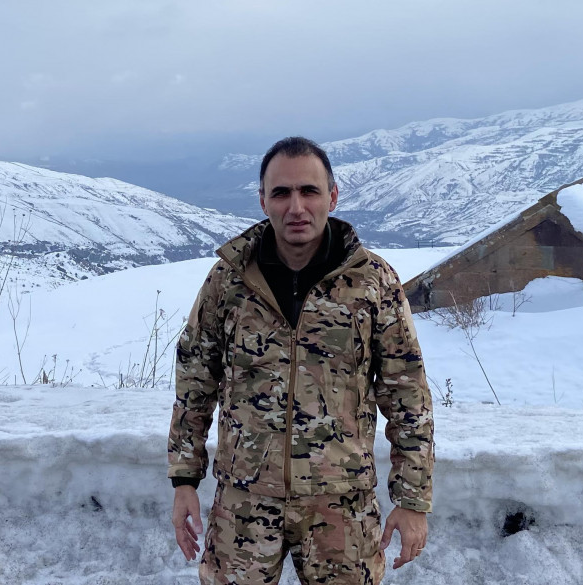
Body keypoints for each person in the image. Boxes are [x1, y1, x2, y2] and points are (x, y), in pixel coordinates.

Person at [168, 136, 434, 584]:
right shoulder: (229, 281)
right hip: (244, 503)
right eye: (281, 193)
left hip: (342, 505)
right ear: (263, 200)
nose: (296, 207)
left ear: (332, 196)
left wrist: (412, 500)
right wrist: (184, 481)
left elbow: (407, 394)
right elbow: (194, 382)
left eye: (309, 191)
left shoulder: (372, 283)